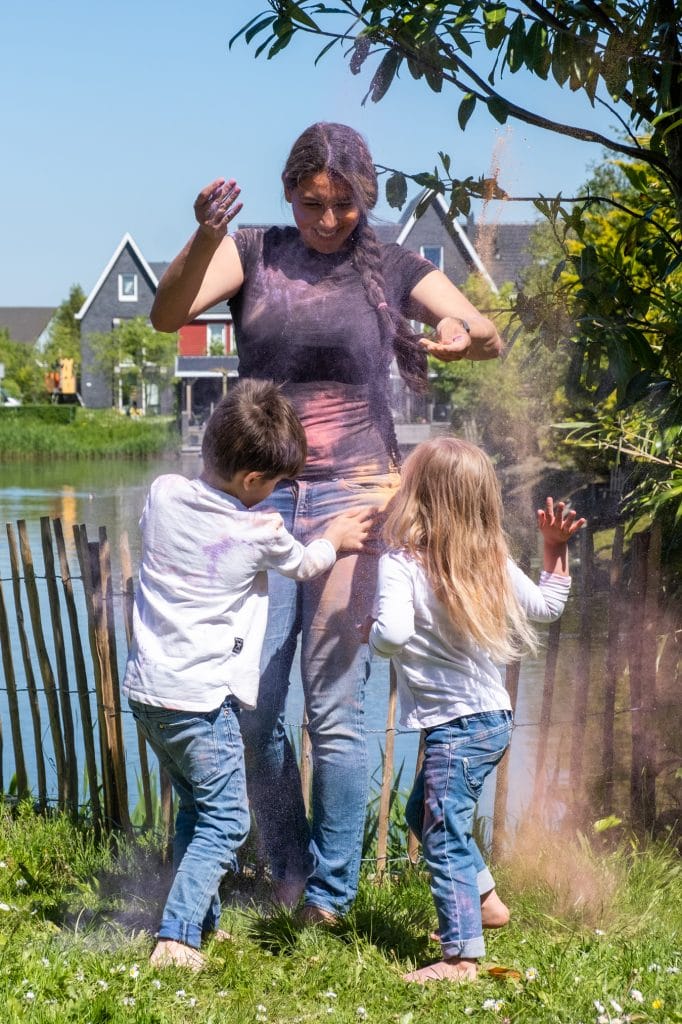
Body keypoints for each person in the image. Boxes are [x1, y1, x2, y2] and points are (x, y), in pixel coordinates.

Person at [150, 121, 503, 924]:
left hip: (360, 496)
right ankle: (290, 863)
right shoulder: (251, 249)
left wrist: (459, 333)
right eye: (314, 202)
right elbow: (167, 317)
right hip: (260, 496)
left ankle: (331, 897)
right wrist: (203, 239)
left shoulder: (391, 262)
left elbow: (487, 335)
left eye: (344, 204)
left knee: (337, 705)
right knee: (252, 703)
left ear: (365, 199)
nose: (328, 218)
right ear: (289, 192)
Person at [123, 378, 373, 969]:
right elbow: (308, 563)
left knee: (196, 809)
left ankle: (202, 925)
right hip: (202, 701)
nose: (281, 493)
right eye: (279, 484)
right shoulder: (259, 530)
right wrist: (334, 536)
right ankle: (178, 936)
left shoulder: (162, 493)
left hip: (149, 694)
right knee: (230, 819)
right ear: (253, 482)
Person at [366, 437, 585, 982]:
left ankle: (462, 955)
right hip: (490, 721)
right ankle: (485, 899)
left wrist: (370, 634)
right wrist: (553, 548)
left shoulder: (400, 561)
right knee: (426, 812)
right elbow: (548, 607)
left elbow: (391, 634)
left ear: (417, 495)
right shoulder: (488, 556)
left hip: (456, 730)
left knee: (439, 833)